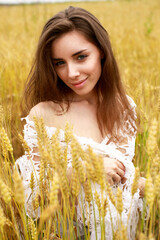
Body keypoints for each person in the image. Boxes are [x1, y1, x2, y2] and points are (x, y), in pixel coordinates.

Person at [15, 6, 145, 240]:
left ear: (102, 51)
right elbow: (32, 200)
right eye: (59, 63)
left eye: (80, 57)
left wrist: (145, 186)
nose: (71, 72)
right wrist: (85, 170)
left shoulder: (124, 107)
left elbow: (122, 182)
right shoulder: (43, 115)